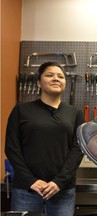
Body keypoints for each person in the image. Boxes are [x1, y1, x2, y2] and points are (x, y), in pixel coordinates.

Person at [5, 62, 84, 216]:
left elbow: (78, 149)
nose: (56, 79)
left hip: (62, 190)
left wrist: (59, 182)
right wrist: (30, 181)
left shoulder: (75, 113)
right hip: (26, 189)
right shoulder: (21, 110)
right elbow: (11, 148)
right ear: (38, 82)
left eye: (60, 76)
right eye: (49, 75)